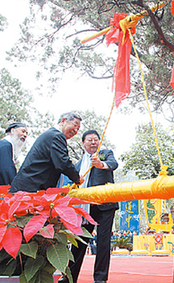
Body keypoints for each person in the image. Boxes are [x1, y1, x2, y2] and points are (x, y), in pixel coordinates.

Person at [60, 130, 118, 283]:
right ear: (83, 144)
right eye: (89, 140)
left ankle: (100, 279)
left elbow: (113, 164)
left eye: (96, 140)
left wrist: (101, 164)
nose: (93, 142)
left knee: (103, 243)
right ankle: (69, 278)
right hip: (85, 209)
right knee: (79, 242)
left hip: (105, 206)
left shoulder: (105, 153)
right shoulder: (79, 164)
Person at [10, 112, 84, 192]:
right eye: (75, 125)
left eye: (78, 129)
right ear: (63, 121)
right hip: (30, 190)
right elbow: (63, 163)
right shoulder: (56, 136)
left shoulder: (51, 134)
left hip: (27, 187)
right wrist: (77, 178)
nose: (75, 130)